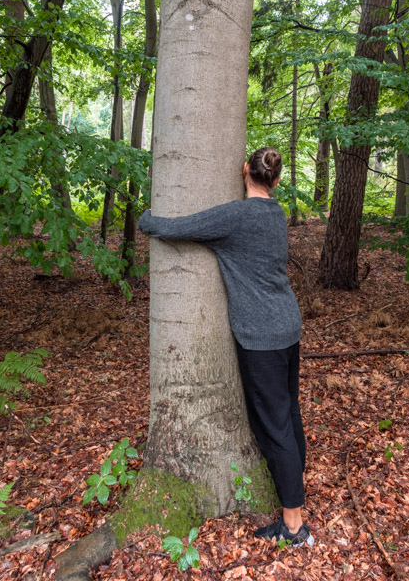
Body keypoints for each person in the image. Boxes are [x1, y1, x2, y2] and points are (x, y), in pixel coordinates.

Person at [138, 147, 314, 547]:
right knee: (289, 410)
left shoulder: (237, 216)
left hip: (262, 336)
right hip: (287, 324)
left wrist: (148, 220)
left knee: (274, 425)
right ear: (277, 180)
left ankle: (294, 526)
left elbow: (180, 227)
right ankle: (295, 485)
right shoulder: (276, 213)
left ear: (243, 171)